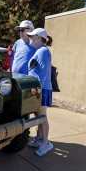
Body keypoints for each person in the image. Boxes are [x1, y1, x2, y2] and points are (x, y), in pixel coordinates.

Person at [26, 28, 54, 156]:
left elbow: (42, 74)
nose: (29, 38)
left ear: (38, 37)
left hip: (42, 89)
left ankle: (46, 143)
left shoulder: (43, 51)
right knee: (39, 115)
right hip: (40, 88)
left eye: (31, 36)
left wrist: (39, 90)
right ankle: (39, 139)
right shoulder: (41, 51)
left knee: (42, 116)